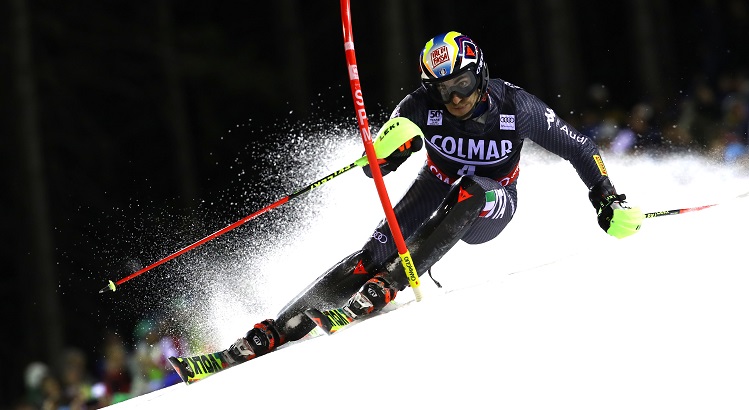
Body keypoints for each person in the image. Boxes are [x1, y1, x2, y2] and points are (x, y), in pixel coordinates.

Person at [224, 31, 644, 363]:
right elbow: (379, 163)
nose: (456, 97)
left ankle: (390, 284)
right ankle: (277, 328)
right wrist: (386, 155)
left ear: (479, 73)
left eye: (463, 83)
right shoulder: (419, 107)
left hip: (493, 202)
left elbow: (580, 147)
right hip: (435, 184)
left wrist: (606, 198)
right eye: (445, 90)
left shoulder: (515, 105)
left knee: (472, 190)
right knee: (373, 252)